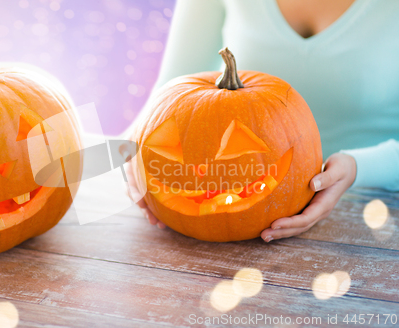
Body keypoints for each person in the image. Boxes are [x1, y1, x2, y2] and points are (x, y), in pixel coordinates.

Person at [125, 0, 399, 242]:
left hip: (376, 212)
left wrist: (358, 168)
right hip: (233, 228)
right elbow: (163, 104)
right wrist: (131, 159)